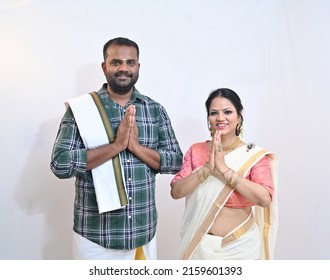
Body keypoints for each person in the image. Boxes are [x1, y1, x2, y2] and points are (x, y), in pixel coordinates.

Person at [50, 37, 183, 260]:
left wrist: (136, 147)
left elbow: (175, 162)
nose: (123, 68)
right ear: (104, 67)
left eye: (130, 63)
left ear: (138, 67)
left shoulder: (154, 110)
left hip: (143, 233)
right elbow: (60, 165)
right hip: (94, 236)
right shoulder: (82, 109)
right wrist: (115, 146)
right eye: (116, 62)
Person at [170, 88, 278, 260]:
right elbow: (176, 192)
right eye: (214, 113)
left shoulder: (252, 155)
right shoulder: (196, 150)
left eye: (227, 112)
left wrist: (225, 170)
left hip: (241, 246)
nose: (220, 118)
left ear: (239, 117)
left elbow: (264, 199)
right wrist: (206, 169)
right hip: (199, 243)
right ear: (208, 119)